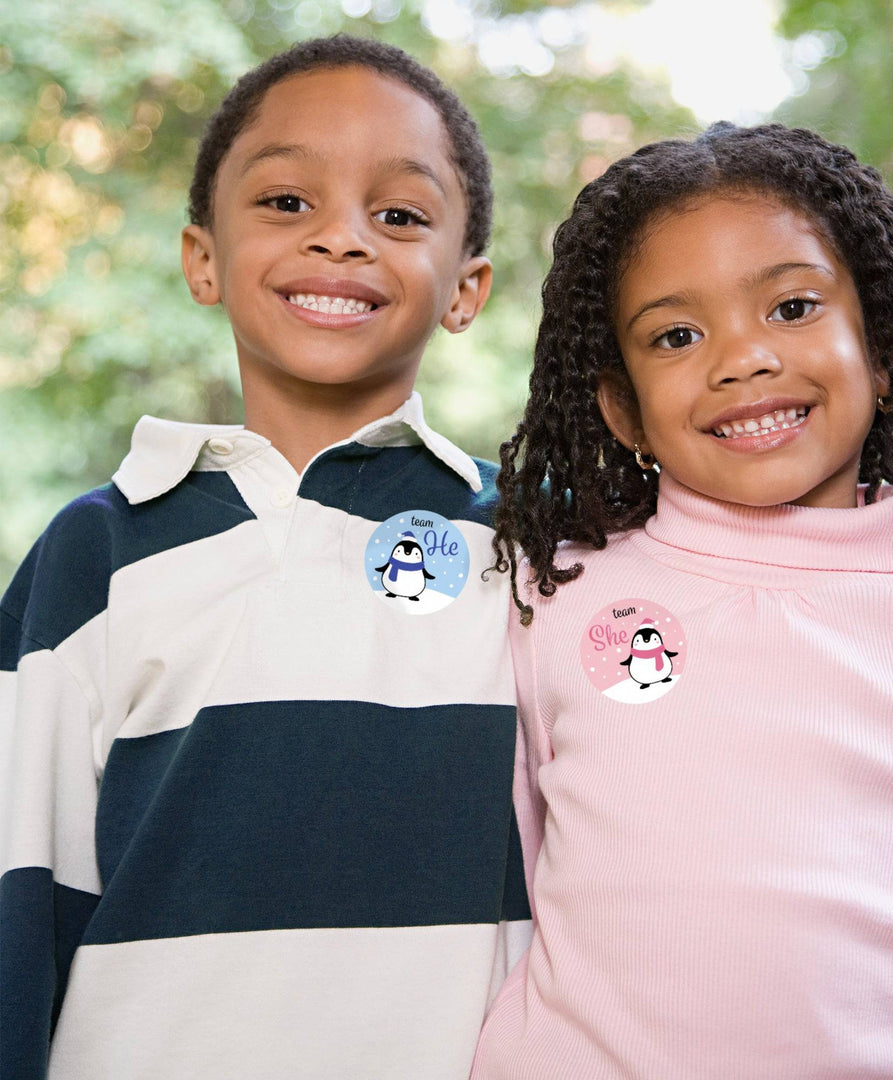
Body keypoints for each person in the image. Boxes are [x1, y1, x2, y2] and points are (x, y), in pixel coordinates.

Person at [472, 122, 893, 1078]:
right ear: (623, 408)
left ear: (886, 350)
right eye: (677, 334)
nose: (743, 357)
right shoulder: (550, 598)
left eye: (792, 307)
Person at [0, 36, 529, 1080]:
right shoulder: (92, 556)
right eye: (287, 202)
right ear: (203, 258)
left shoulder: (536, 547)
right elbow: (22, 889)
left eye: (401, 215)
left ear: (466, 289)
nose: (341, 239)